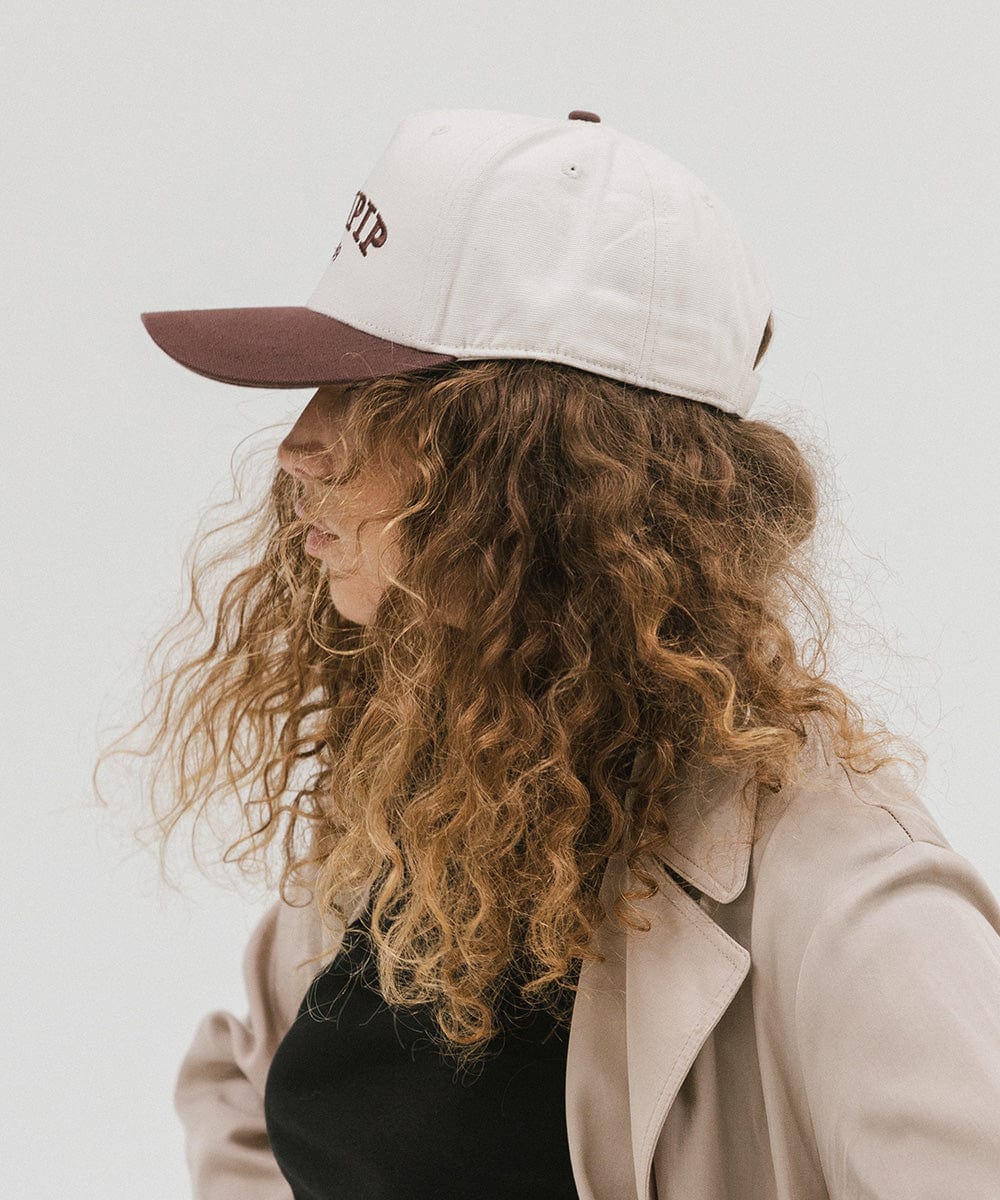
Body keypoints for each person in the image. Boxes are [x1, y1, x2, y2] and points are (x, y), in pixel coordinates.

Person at [95, 107, 1000, 1200]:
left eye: (375, 395)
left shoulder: (851, 907)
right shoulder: (421, 800)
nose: (297, 444)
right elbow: (247, 1092)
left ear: (547, 463)